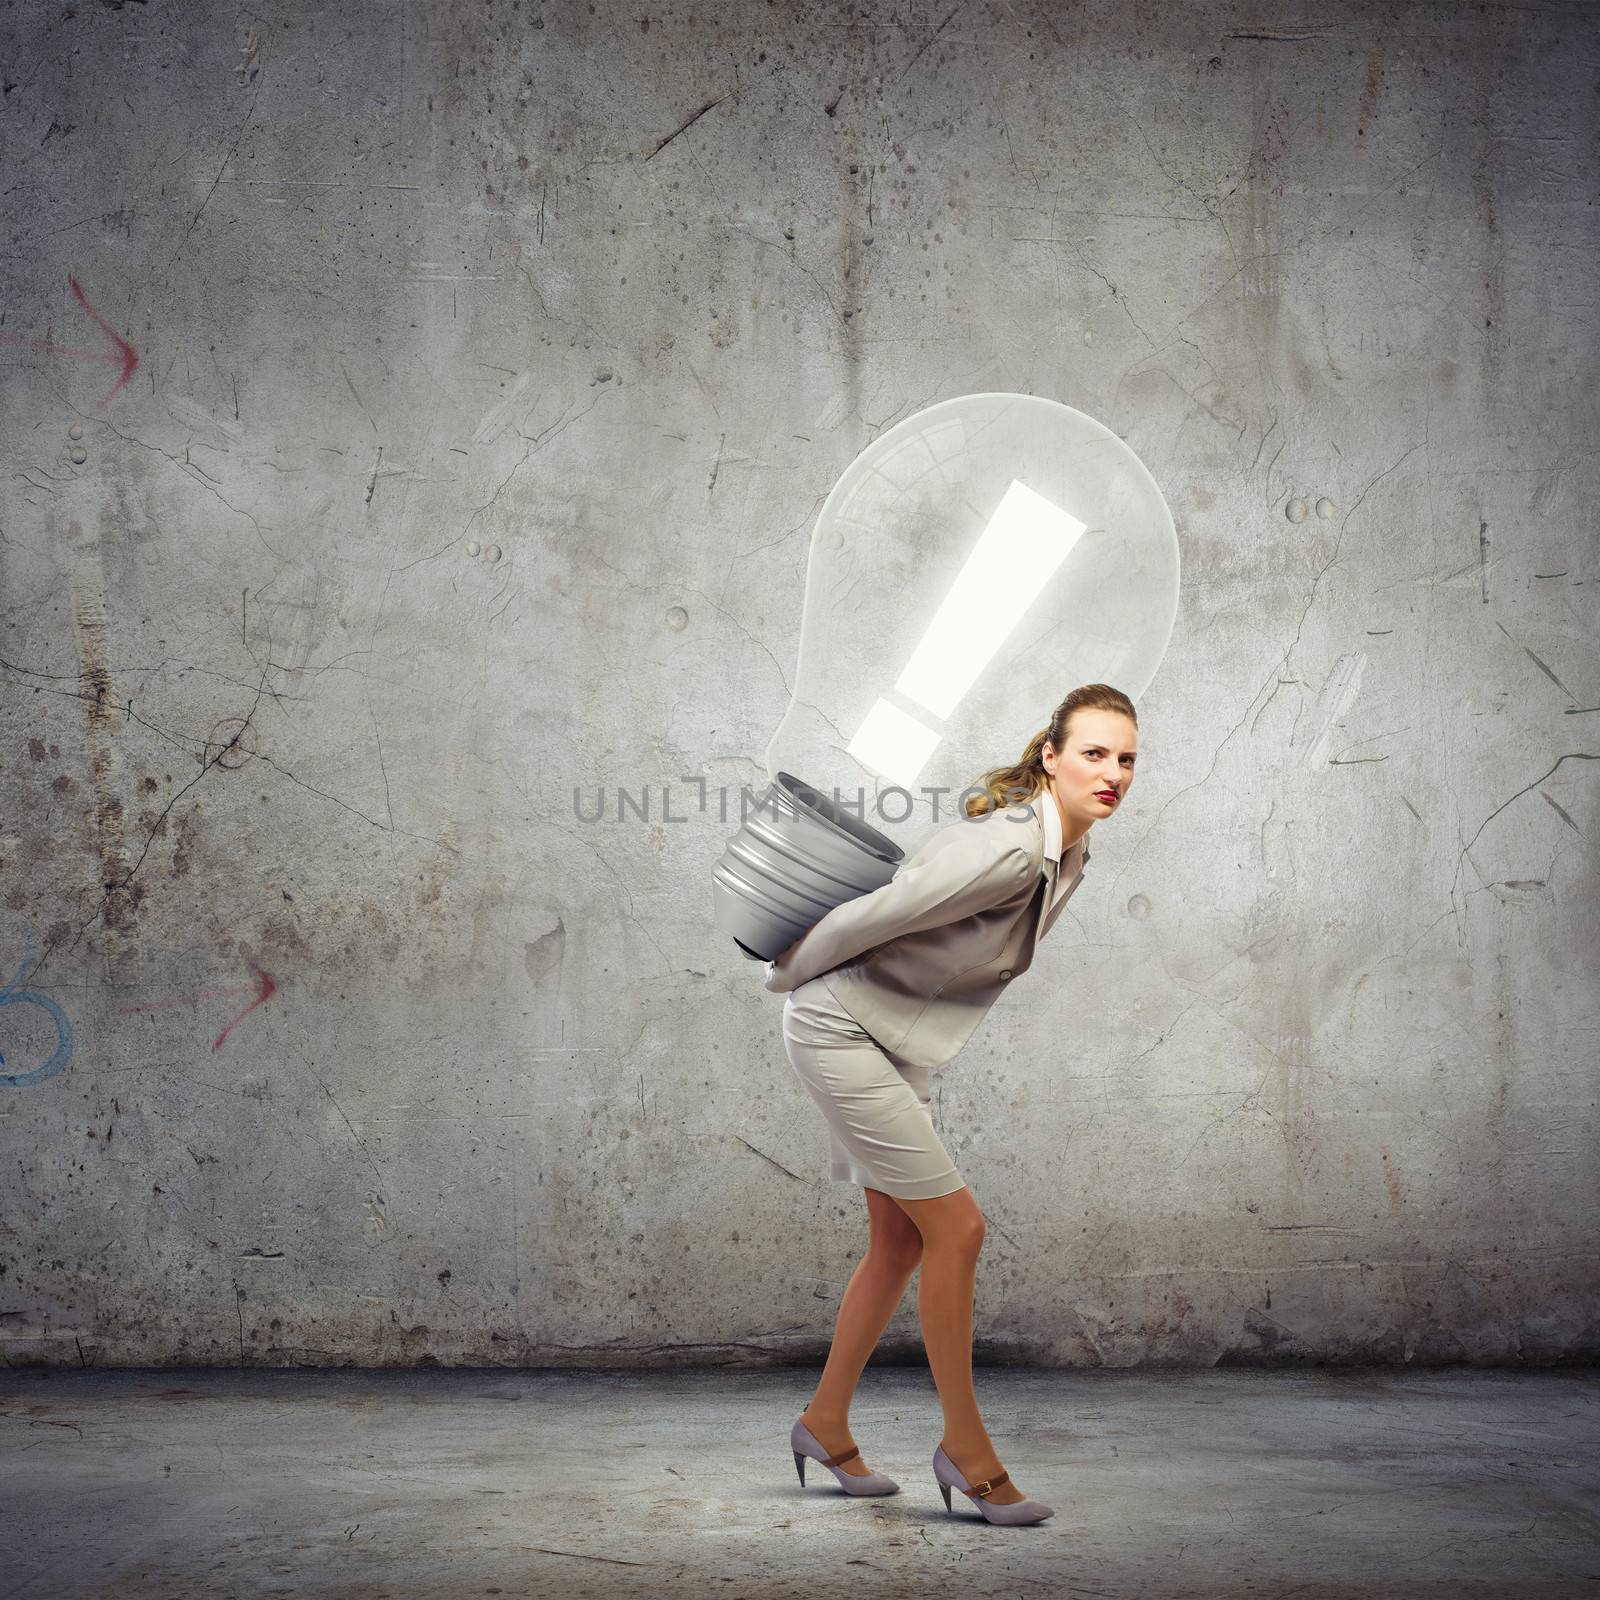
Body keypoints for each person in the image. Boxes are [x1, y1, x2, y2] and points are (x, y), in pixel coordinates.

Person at [765, 684, 1138, 1526]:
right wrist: (786, 972)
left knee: (900, 1240)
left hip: (890, 1039)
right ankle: (966, 1453)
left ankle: (823, 1424)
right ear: (1050, 755)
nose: (1112, 772)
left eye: (1125, 759)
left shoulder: (1068, 852)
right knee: (957, 1230)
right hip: (839, 1027)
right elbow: (884, 909)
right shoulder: (1012, 847)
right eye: (1094, 753)